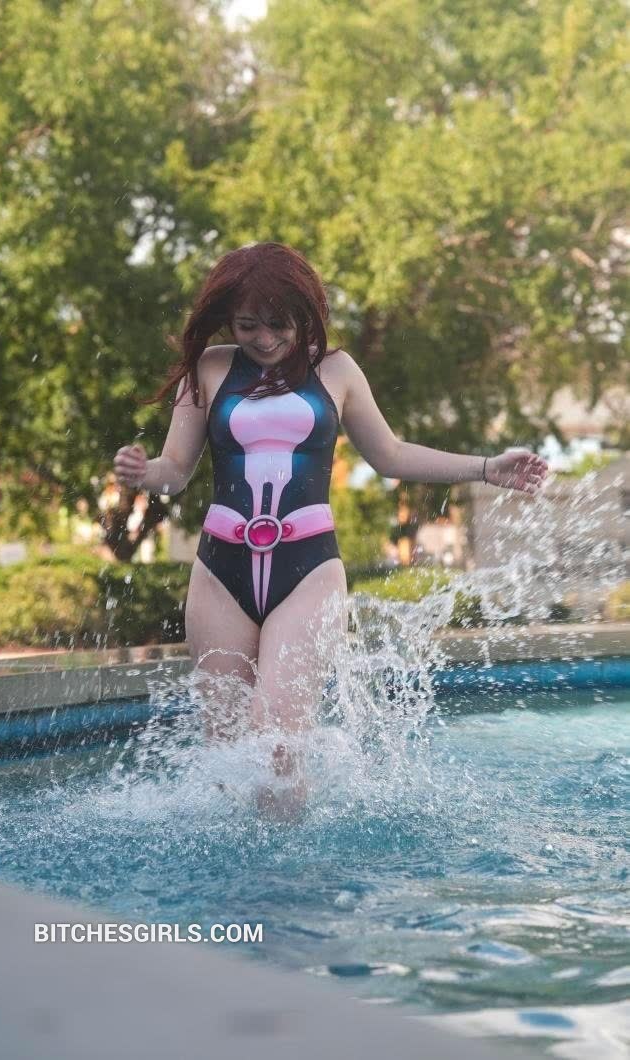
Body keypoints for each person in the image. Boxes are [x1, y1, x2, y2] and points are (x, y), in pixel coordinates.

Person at [114, 242, 548, 803]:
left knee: (277, 745)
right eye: (248, 325)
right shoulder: (210, 368)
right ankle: (231, 863)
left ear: (306, 313)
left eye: (279, 324)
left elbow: (391, 455)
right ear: (228, 319)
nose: (264, 339)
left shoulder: (336, 369)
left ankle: (287, 858)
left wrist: (487, 468)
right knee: (226, 753)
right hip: (220, 573)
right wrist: (143, 473)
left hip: (308, 571)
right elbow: (175, 471)